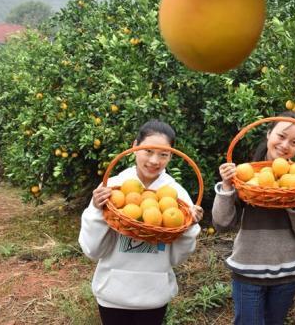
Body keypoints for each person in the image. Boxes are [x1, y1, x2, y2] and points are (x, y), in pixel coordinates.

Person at [78, 119, 203, 325]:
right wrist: (95, 210)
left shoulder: (177, 196)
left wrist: (189, 228)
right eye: (149, 151)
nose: (155, 161)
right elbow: (92, 251)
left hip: (153, 296)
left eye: (163, 154)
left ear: (171, 155)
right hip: (112, 295)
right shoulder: (113, 188)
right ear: (135, 147)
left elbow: (177, 259)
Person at [213, 111, 295, 325]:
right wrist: (226, 186)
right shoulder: (245, 176)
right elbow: (222, 224)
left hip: (288, 272)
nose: (285, 145)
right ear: (269, 134)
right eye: (281, 136)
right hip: (248, 271)